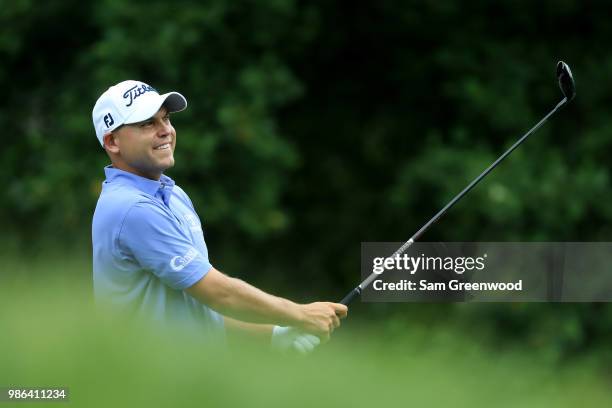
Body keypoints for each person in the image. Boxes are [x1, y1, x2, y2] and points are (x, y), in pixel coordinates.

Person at [91, 80, 348, 353]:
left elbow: (198, 307)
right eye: (147, 124)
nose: (165, 130)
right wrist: (300, 314)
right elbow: (218, 292)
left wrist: (272, 335)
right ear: (112, 141)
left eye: (165, 119)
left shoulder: (174, 195)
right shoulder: (131, 208)